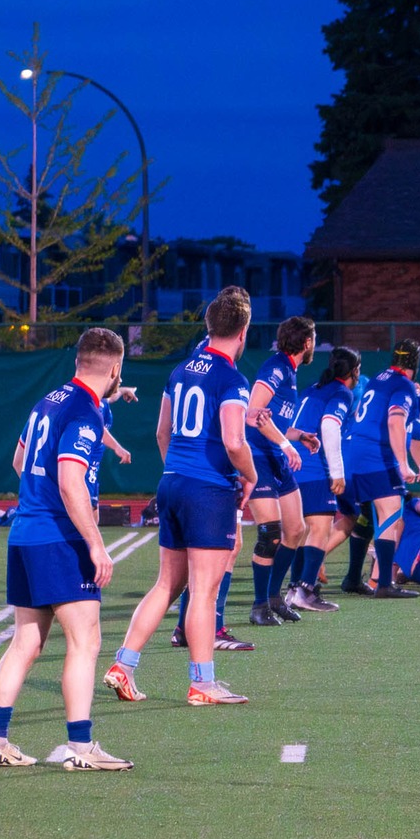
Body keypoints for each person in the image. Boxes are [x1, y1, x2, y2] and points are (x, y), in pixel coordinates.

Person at [0, 328, 132, 771]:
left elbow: (19, 462)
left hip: (25, 533)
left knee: (26, 640)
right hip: (59, 537)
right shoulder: (87, 412)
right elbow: (70, 479)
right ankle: (80, 747)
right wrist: (96, 544)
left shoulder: (47, 401)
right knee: (86, 641)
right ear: (115, 368)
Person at [105, 287, 257, 707]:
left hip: (172, 481)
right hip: (208, 490)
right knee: (204, 591)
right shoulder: (231, 379)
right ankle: (202, 682)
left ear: (209, 326)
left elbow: (161, 432)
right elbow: (233, 439)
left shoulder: (180, 370)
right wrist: (250, 473)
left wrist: (179, 470)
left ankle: (123, 665)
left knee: (166, 584)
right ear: (243, 331)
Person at [337, 336, 420, 599]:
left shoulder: (379, 379)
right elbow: (395, 421)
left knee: (365, 517)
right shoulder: (404, 385)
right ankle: (385, 583)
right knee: (391, 515)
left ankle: (352, 578)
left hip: (355, 454)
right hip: (376, 457)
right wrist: (403, 463)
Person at [244, 314, 317, 626]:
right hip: (258, 455)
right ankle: (259, 606)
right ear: (307, 342)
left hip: (274, 452)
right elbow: (253, 413)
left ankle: (274, 597)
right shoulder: (277, 367)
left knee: (296, 529)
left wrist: (298, 436)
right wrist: (288, 447)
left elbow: (273, 420)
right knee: (270, 533)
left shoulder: (289, 370)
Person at [285, 344, 360, 612]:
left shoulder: (312, 389)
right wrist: (337, 472)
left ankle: (294, 589)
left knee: (301, 531)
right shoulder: (341, 392)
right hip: (314, 467)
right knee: (319, 528)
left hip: (292, 464)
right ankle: (304, 590)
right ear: (355, 370)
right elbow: (329, 425)